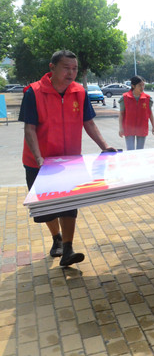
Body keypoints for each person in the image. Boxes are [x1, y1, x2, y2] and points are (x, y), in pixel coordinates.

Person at [19, 50, 116, 267]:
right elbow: (30, 129)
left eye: (74, 69)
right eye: (66, 68)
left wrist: (104, 146)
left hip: (70, 160)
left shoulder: (79, 92)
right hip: (39, 162)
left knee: (70, 203)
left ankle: (69, 248)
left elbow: (88, 122)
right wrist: (38, 157)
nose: (71, 73)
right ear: (52, 68)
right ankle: (57, 239)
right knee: (47, 207)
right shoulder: (33, 92)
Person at [118, 76, 154, 150]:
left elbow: (150, 113)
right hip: (128, 127)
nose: (142, 87)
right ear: (133, 86)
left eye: (143, 85)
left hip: (142, 127)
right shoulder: (124, 98)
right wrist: (121, 128)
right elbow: (121, 114)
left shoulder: (148, 98)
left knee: (140, 151)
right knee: (130, 150)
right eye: (140, 85)